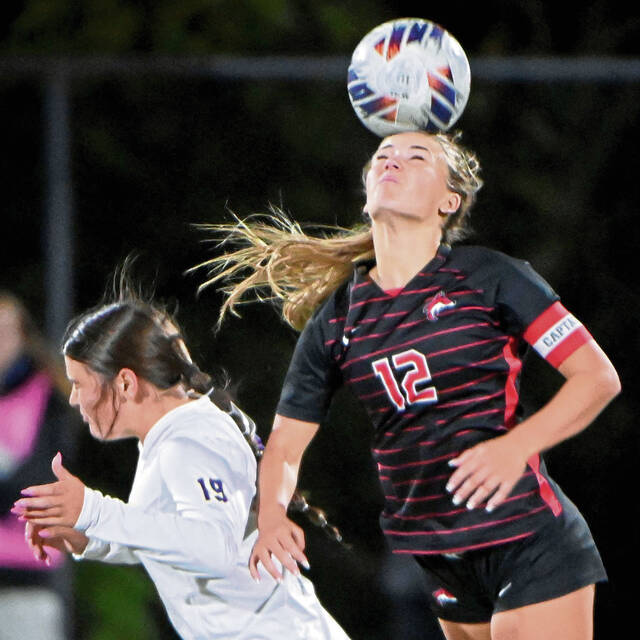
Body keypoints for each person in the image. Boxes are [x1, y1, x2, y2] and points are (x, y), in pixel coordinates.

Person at [194, 130, 621, 640]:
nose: (393, 162)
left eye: (417, 157)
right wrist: (270, 516)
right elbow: (285, 445)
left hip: (526, 537)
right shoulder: (339, 318)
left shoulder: (489, 277)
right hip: (438, 553)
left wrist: (517, 447)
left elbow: (597, 377)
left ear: (449, 201)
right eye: (383, 156)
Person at [13, 286, 350, 640]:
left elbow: (212, 549)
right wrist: (89, 538)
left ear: (126, 382)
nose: (74, 398)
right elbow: (175, 539)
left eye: (80, 384)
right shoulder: (172, 435)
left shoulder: (187, 442)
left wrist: (94, 510)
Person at [0, 291, 77, 640]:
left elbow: (41, 480)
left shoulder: (49, 395)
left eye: (6, 332)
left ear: (23, 336)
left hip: (28, 574)